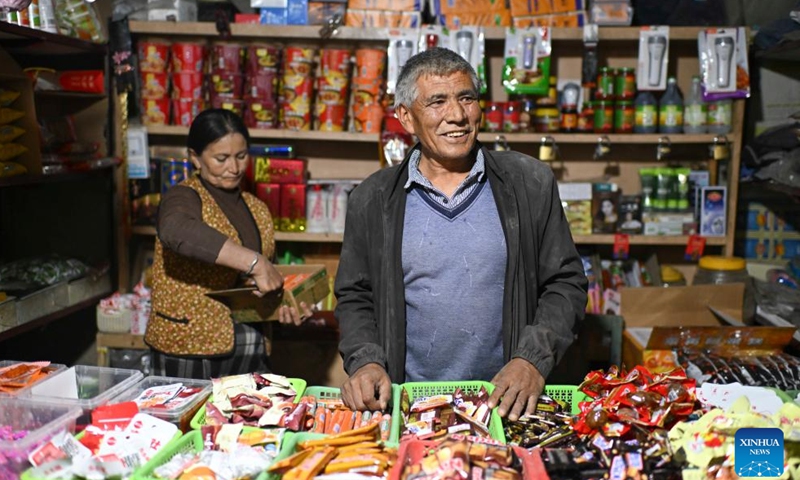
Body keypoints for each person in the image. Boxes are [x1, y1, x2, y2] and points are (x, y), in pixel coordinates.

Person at [335, 48, 588, 421]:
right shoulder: (372, 199)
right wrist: (365, 361)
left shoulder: (529, 183)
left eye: (466, 98)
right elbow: (355, 295)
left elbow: (566, 283)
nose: (456, 115)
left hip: (508, 405)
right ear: (406, 117)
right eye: (437, 101)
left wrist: (531, 361)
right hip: (410, 405)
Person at [145, 108, 311, 379]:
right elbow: (176, 230)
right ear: (195, 158)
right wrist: (254, 262)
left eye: (241, 156)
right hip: (188, 348)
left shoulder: (257, 208)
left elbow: (262, 282)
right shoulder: (183, 197)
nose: (234, 168)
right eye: (221, 158)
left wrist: (285, 306)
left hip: (249, 346)